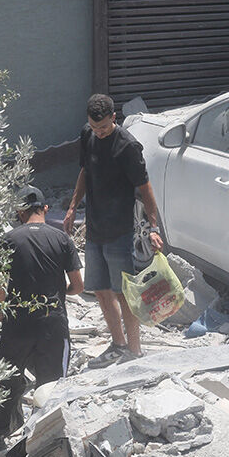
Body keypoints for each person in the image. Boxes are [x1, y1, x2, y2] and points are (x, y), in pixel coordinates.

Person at [64, 93, 163, 368]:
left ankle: (135, 352)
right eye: (95, 128)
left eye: (104, 127)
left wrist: (153, 226)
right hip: (94, 229)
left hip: (120, 232)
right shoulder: (88, 135)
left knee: (123, 293)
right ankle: (118, 344)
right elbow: (85, 171)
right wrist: (73, 206)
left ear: (114, 119)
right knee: (101, 291)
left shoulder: (128, 147)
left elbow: (145, 188)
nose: (99, 132)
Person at [0, 185, 84, 445]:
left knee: (5, 381)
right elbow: (78, 286)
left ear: (20, 212)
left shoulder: (8, 240)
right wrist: (59, 292)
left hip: (15, 323)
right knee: (52, 387)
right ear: (45, 209)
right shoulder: (62, 239)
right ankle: (47, 442)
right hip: (52, 324)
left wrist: (1, 305)